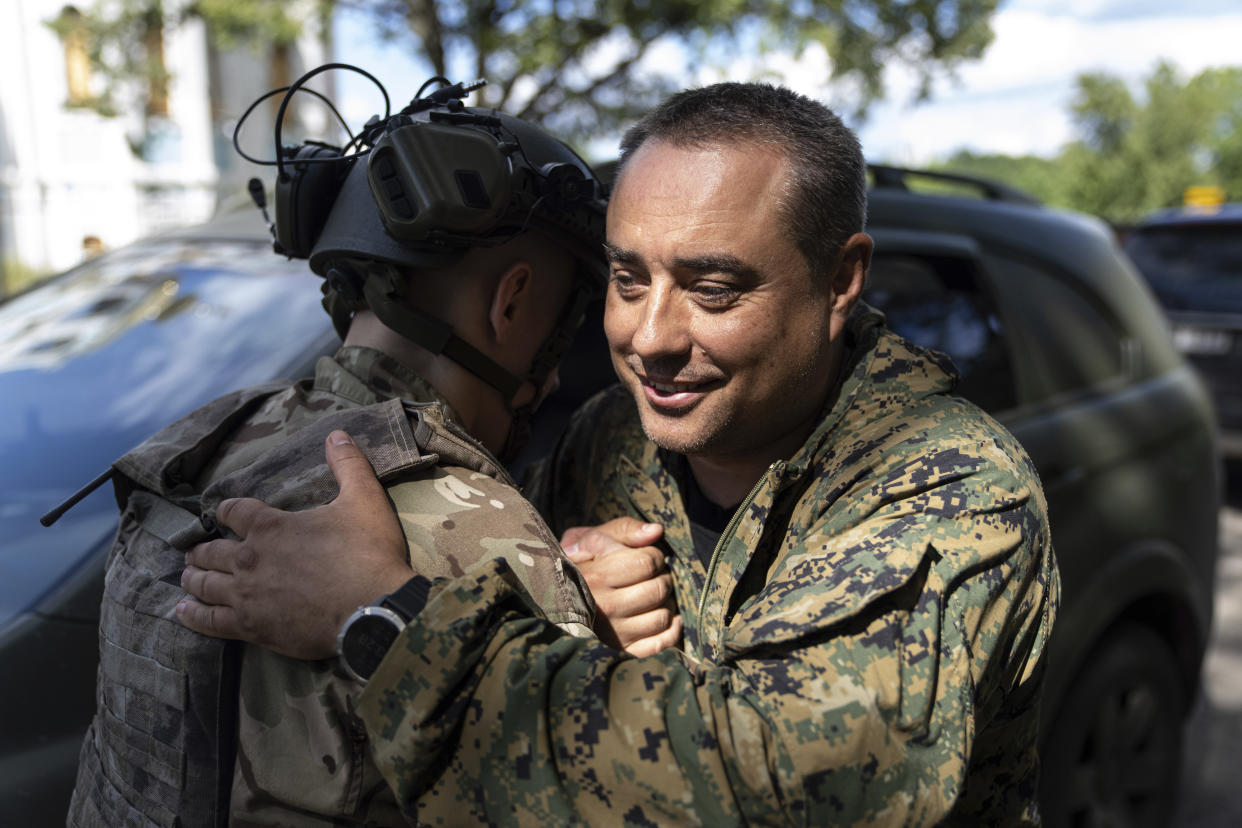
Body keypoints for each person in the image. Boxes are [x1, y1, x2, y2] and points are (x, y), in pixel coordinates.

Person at [180, 82, 1060, 825]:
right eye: (627, 280)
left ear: (840, 281)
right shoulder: (614, 435)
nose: (650, 337)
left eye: (713, 289)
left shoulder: (949, 486)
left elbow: (779, 785)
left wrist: (382, 620)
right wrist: (554, 588)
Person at [67, 86, 623, 828]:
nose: (553, 378)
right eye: (566, 326)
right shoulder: (479, 529)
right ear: (513, 303)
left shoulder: (207, 441)